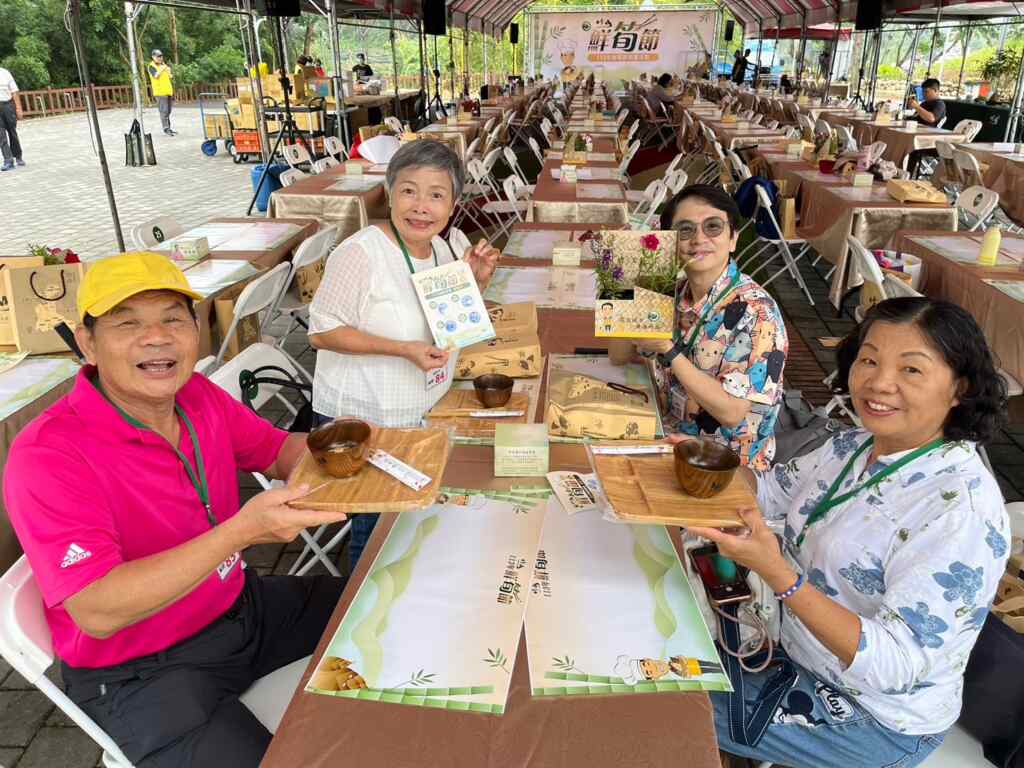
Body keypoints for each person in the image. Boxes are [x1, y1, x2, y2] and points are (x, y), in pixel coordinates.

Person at [4, 252, 352, 767]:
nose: (157, 337)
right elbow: (97, 609)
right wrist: (242, 532)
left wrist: (337, 455)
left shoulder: (197, 394)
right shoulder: (49, 453)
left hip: (242, 609)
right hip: (143, 669)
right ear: (87, 343)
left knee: (385, 609)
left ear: (195, 329)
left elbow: (278, 451)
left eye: (173, 317)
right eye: (128, 323)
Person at [684, 297, 1010, 768]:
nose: (879, 383)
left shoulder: (961, 509)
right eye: (870, 359)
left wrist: (779, 574)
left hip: (871, 718)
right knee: (649, 644)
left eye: (911, 370)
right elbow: (769, 493)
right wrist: (702, 460)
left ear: (959, 387)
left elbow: (894, 664)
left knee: (662, 699)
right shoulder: (850, 447)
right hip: (793, 649)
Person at [308, 139, 499, 570]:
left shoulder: (445, 249)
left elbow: (448, 325)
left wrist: (476, 285)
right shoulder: (360, 253)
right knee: (375, 525)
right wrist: (400, 350)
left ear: (452, 205)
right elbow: (320, 331)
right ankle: (355, 608)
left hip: (422, 409)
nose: (421, 207)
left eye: (436, 195)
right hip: (368, 418)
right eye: (409, 190)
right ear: (390, 193)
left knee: (408, 521)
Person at [636, 185, 788, 470]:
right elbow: (620, 355)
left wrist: (666, 349)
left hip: (725, 464)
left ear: (733, 239)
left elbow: (732, 413)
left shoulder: (757, 313)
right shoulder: (673, 291)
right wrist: (621, 285)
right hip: (668, 434)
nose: (698, 239)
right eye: (685, 230)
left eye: (713, 227)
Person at [906, 78, 947, 176]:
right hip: (916, 133)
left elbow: (931, 118)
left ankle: (907, 175)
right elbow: (915, 117)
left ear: (936, 91)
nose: (924, 94)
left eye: (926, 91)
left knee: (911, 148)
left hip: (928, 140)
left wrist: (917, 107)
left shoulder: (939, 104)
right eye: (923, 91)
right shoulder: (924, 104)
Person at [146, 49, 175, 136]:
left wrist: (169, 72)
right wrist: (162, 68)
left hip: (168, 91)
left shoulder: (163, 65)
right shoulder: (151, 66)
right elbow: (156, 75)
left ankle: (168, 127)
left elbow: (169, 77)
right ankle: (166, 128)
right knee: (164, 111)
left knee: (168, 111)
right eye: (158, 56)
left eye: (161, 56)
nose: (160, 58)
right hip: (160, 92)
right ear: (153, 57)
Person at [0, 65, 23, 170]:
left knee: (12, 132)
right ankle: (8, 160)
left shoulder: (5, 73)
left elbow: (14, 91)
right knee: (1, 135)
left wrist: (18, 108)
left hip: (8, 105)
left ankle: (18, 155)